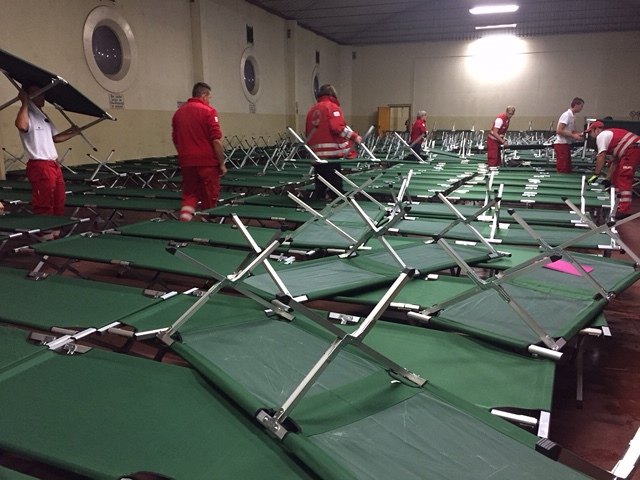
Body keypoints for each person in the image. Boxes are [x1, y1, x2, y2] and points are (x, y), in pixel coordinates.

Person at [15, 84, 80, 218]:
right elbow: (21, 125)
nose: (42, 95)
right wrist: (24, 102)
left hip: (54, 165)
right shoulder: (27, 114)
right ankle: (45, 234)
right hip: (40, 166)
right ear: (29, 96)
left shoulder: (43, 116)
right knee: (44, 202)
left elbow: (55, 138)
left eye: (42, 93)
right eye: (38, 93)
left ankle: (56, 230)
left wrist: (74, 132)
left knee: (59, 200)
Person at [172, 82, 227, 222]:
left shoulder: (178, 113)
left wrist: (183, 155)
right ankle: (208, 223)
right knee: (210, 195)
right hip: (207, 163)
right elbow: (216, 141)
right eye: (209, 97)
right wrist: (222, 163)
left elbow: (176, 140)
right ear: (204, 95)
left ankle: (184, 220)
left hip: (187, 162)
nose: (209, 101)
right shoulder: (209, 111)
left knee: (190, 194)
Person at [305, 84, 361, 200]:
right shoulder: (332, 107)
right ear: (333, 94)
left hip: (316, 155)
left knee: (320, 184)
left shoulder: (312, 110)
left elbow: (307, 131)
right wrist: (354, 137)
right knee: (336, 186)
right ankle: (337, 209)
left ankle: (316, 210)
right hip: (331, 155)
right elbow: (337, 128)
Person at [586, 120, 640, 219]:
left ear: (597, 130)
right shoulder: (613, 137)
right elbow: (615, 161)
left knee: (624, 177)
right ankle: (617, 204)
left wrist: (595, 175)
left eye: (590, 132)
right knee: (616, 176)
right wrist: (608, 179)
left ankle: (623, 210)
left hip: (633, 149)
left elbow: (601, 157)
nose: (590, 135)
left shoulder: (601, 136)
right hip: (632, 149)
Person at [553, 97, 585, 173]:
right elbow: (559, 130)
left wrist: (580, 134)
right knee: (563, 169)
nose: (582, 108)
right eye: (581, 106)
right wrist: (574, 136)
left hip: (566, 144)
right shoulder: (566, 115)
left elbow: (572, 131)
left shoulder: (572, 116)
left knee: (567, 168)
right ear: (576, 105)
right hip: (561, 144)